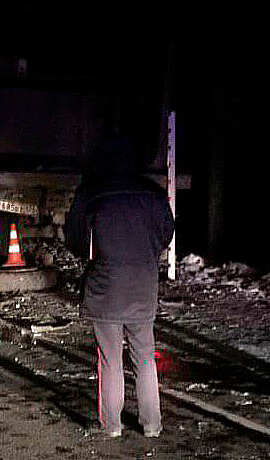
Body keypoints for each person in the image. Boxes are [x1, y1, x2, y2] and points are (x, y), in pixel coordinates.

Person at [64, 136, 175, 438]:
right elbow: (167, 232)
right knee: (144, 356)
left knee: (110, 359)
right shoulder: (152, 193)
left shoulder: (93, 193)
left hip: (106, 288)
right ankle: (151, 425)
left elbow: (74, 239)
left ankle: (111, 425)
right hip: (143, 286)